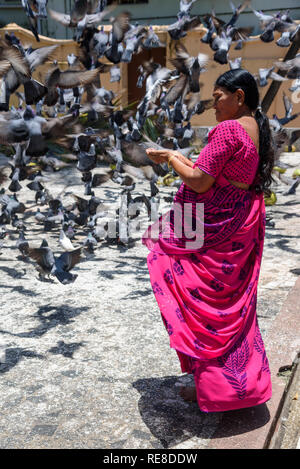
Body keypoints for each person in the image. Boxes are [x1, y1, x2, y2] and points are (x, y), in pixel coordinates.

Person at [143, 69, 273, 413]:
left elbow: (200, 181)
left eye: (218, 97)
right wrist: (175, 155)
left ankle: (213, 388)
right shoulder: (253, 126)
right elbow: (220, 175)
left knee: (201, 304)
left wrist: (171, 159)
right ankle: (232, 386)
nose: (212, 104)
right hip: (237, 228)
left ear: (239, 97)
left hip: (215, 234)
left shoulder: (229, 128)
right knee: (231, 311)